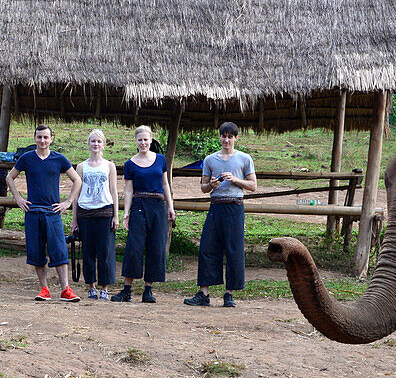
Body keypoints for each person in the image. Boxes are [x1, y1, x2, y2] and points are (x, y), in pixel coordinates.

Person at [184, 121, 257, 308]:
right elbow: (203, 188)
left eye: (230, 137)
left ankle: (229, 294)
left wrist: (236, 180)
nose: (226, 140)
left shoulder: (244, 158)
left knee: (233, 249)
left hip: (235, 207)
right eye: (223, 136)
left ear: (236, 138)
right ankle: (204, 293)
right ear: (219, 137)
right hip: (216, 206)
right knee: (207, 247)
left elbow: (253, 186)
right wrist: (212, 185)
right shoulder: (210, 160)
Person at [6, 125, 83, 302]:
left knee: (59, 250)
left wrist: (68, 202)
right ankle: (44, 289)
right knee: (37, 251)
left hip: (53, 212)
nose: (42, 141)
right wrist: (18, 198)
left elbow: (77, 179)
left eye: (46, 137)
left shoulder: (59, 159)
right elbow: (10, 177)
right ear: (34, 138)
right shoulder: (27, 158)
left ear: (51, 139)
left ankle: (66, 290)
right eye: (39, 137)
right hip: (33, 212)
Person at [113, 125, 175, 303]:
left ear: (151, 140)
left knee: (156, 246)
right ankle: (127, 289)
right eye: (140, 140)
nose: (143, 143)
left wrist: (170, 207)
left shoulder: (161, 160)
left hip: (157, 205)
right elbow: (128, 191)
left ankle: (148, 290)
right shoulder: (130, 164)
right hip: (139, 205)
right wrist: (126, 213)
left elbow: (165, 185)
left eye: (146, 139)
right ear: (136, 141)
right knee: (134, 247)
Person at [70, 129, 119, 300]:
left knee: (105, 251)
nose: (96, 144)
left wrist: (116, 216)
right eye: (93, 141)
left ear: (104, 144)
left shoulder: (109, 166)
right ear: (88, 144)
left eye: (99, 141)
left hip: (105, 212)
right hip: (85, 214)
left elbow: (114, 191)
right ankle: (91, 286)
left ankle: (104, 288)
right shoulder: (81, 167)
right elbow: (76, 194)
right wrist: (74, 219)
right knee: (88, 251)